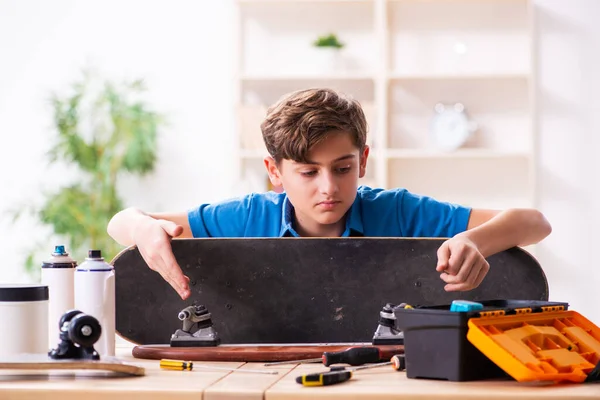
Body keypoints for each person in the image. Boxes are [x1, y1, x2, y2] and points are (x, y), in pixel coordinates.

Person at [107, 88, 552, 300]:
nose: (329, 187)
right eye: (307, 172)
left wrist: (474, 240)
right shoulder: (248, 215)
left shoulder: (396, 211)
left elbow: (534, 222)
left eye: (343, 168)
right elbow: (122, 222)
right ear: (274, 172)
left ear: (362, 161)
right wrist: (142, 228)